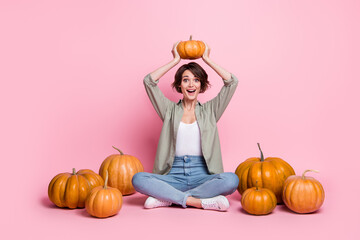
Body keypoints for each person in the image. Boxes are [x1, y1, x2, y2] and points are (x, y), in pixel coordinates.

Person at [132, 41, 239, 211]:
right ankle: (198, 201)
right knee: (138, 179)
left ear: (201, 85)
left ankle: (167, 197)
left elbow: (232, 82)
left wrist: (207, 59)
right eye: (186, 80)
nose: (191, 84)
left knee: (232, 180)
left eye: (196, 80)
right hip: (172, 175)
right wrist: (175, 60)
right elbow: (149, 81)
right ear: (179, 85)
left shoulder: (211, 111)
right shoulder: (168, 110)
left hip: (202, 175)